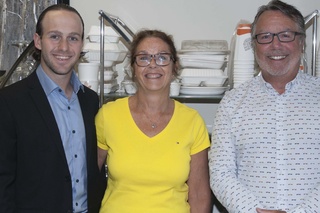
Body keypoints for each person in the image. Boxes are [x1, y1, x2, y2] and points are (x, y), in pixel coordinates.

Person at [208, 0, 320, 213]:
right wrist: (253, 210)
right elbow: (221, 173)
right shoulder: (232, 102)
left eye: (285, 35)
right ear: (254, 44)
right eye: (265, 37)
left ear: (302, 41)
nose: (275, 45)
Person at [0, 4, 106, 212]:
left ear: (81, 43)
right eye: (55, 36)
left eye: (73, 38)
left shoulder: (90, 101)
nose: (64, 47)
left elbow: (94, 173)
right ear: (38, 41)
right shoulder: (8, 102)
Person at [96, 29, 212, 213]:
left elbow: (199, 196)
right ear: (133, 67)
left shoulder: (192, 121)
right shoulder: (108, 115)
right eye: (143, 58)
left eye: (162, 57)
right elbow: (87, 181)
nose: (152, 64)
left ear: (174, 66)